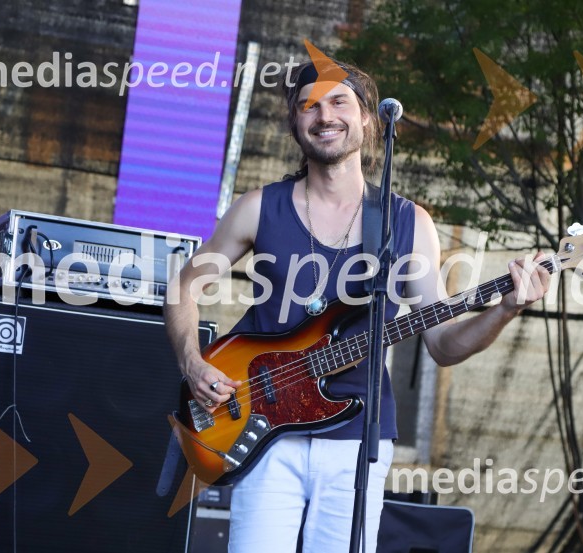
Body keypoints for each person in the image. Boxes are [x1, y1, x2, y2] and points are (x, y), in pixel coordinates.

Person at [163, 58, 551, 553]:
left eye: (339, 102)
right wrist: (192, 362)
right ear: (295, 122)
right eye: (310, 106)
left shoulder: (408, 223)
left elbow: (442, 344)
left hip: (357, 441)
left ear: (367, 118)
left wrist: (505, 310)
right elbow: (182, 289)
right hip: (261, 430)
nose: (325, 115)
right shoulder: (260, 207)